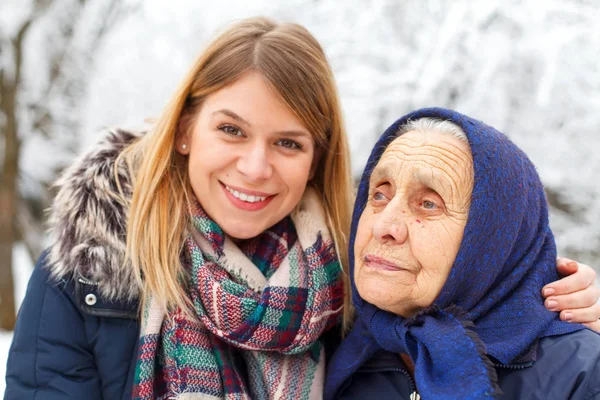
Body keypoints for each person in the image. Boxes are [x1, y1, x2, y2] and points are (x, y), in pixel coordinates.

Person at [4, 18, 599, 400]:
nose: (256, 167)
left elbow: (474, 276)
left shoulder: (351, 281)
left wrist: (551, 290)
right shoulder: (90, 273)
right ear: (185, 130)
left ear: (317, 158)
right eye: (231, 130)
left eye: (288, 142)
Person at [325, 108, 600, 400]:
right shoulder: (323, 332)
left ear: (491, 240)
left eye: (428, 204)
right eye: (379, 194)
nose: (383, 226)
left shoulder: (581, 377)